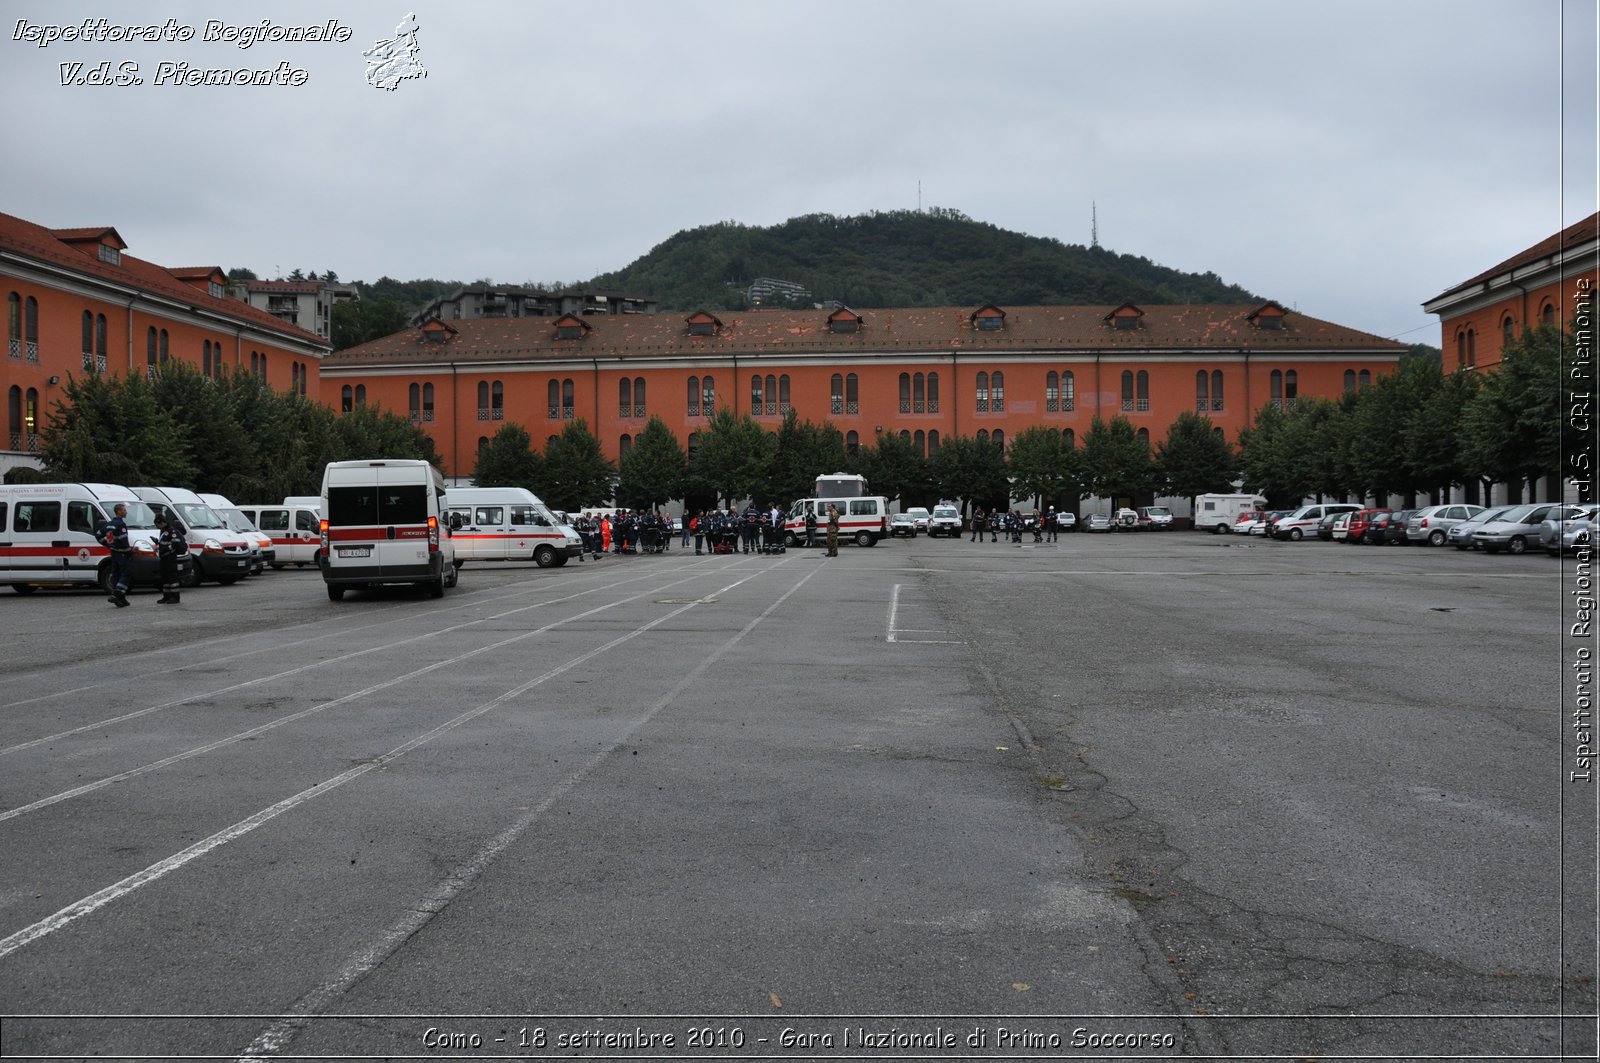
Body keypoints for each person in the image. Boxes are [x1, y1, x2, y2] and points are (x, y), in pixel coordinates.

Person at [100, 503, 133, 607]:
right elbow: (123, 540)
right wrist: (128, 551)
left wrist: (107, 544)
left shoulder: (109, 524)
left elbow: (98, 534)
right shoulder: (121, 524)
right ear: (118, 511)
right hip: (122, 553)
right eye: (124, 510)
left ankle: (121, 599)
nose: (126, 512)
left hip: (114, 552)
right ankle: (117, 593)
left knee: (116, 574)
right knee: (127, 572)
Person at [154, 512, 185, 604]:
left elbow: (175, 543)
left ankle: (175, 597)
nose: (157, 527)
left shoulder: (172, 531)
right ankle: (166, 596)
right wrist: (157, 542)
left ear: (162, 523)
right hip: (164, 557)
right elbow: (164, 542)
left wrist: (167, 549)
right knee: (165, 577)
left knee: (172, 578)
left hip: (170, 557)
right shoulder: (163, 531)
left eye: (157, 525)